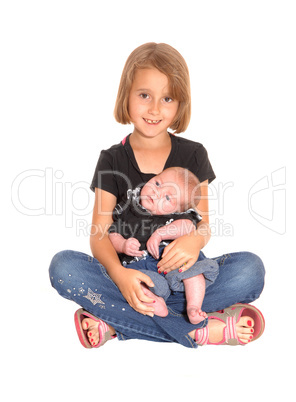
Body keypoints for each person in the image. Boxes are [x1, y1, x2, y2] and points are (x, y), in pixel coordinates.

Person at [49, 42, 265, 349]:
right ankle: (198, 329)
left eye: (167, 98)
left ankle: (115, 322)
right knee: (64, 268)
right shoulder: (112, 160)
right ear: (127, 96)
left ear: (180, 104)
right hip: (132, 278)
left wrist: (194, 240)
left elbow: (202, 225)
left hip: (181, 282)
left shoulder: (194, 154)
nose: (154, 109)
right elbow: (99, 234)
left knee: (250, 270)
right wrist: (121, 277)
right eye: (144, 95)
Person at [108, 166, 219, 324]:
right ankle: (155, 302)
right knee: (137, 284)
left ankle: (193, 307)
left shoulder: (178, 216)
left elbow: (189, 226)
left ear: (178, 209)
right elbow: (112, 234)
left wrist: (160, 234)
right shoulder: (129, 209)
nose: (157, 193)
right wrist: (123, 244)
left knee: (195, 274)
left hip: (177, 262)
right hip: (141, 267)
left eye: (168, 198)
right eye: (158, 183)